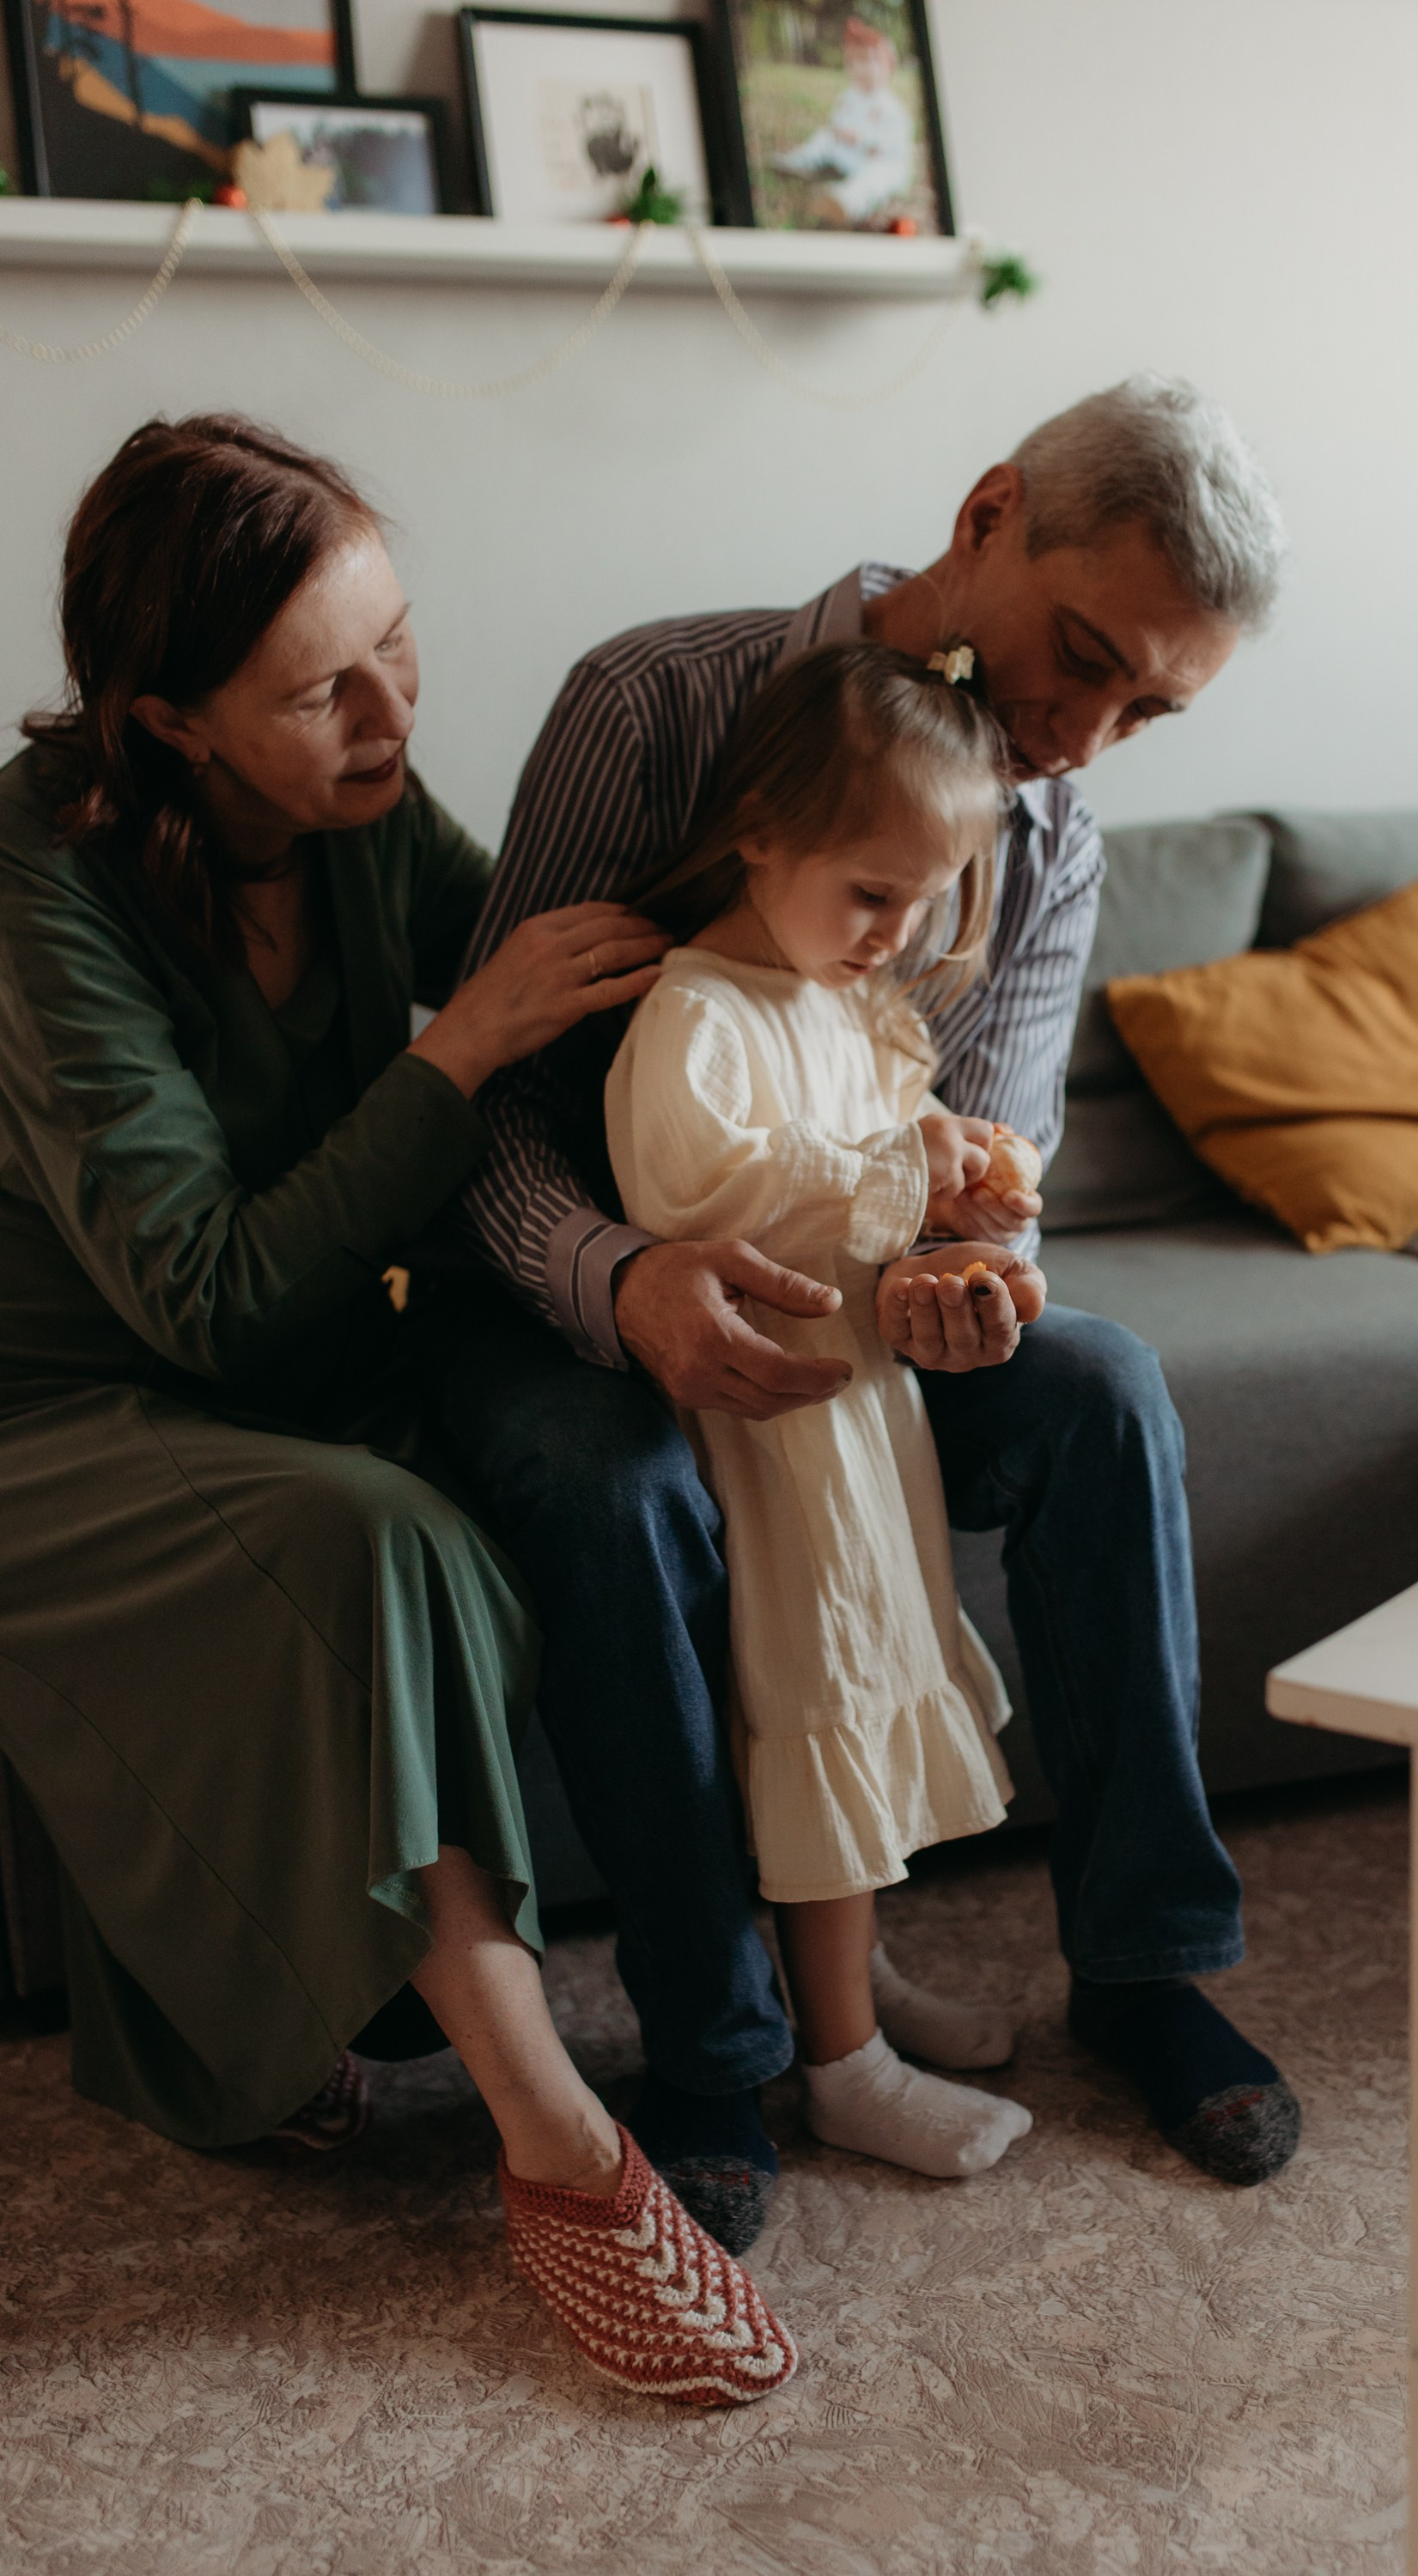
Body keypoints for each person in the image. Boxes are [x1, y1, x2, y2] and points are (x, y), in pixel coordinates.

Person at [436, 376, 1299, 2258]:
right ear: (989, 513)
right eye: (1078, 659)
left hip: (840, 1303)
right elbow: (487, 1111)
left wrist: (973, 1266)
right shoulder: (656, 701)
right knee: (612, 1492)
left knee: (1102, 1392)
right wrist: (625, 1278)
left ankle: (1142, 1964)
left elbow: (963, 1143)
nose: (1079, 737)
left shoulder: (1048, 829)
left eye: (1146, 709)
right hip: (585, 1295)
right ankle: (716, 2046)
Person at [0, 413, 796, 2406]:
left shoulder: (366, 820)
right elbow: (214, 1302)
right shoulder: (31, 880)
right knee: (388, 1535)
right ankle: (562, 2149)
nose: (387, 709)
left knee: (510, 1488)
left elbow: (583, 985)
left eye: (398, 643)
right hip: (61, 1418)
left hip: (303, 1370)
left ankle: (528, 2030)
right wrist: (462, 1042)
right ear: (166, 720)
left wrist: (813, 963)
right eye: (319, 687)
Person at [607, 641, 1040, 2179]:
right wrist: (889, 1176)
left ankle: (850, 1981)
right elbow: (697, 1184)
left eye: (925, 901)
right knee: (822, 1697)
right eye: (871, 893)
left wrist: (959, 1173)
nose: (896, 933)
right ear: (759, 830)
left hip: (867, 1425)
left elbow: (884, 1146)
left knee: (881, 1658)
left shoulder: (842, 1004)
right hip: (776, 1431)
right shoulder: (695, 1012)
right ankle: (838, 2062)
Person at [770, 16, 916, 229]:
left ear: (888, 67)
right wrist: (839, 132)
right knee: (824, 137)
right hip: (850, 155)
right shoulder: (848, 98)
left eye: (869, 61)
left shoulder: (892, 108)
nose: (861, 69)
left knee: (875, 176)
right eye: (854, 63)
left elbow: (896, 146)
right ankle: (800, 161)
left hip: (880, 160)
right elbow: (838, 122)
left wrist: (865, 139)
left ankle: (845, 201)